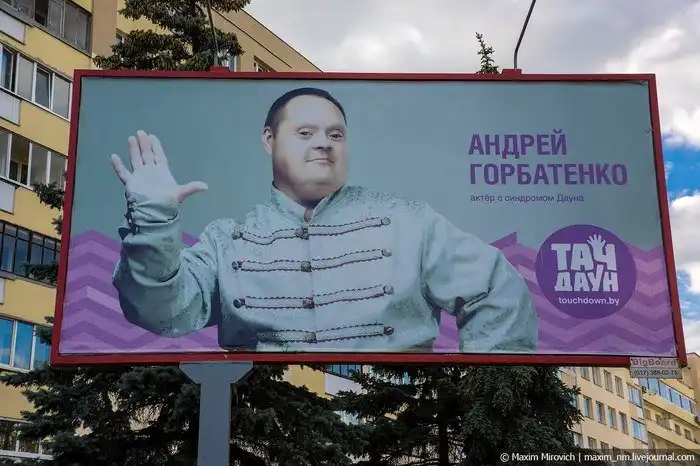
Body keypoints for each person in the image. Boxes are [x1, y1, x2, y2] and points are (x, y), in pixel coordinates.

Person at [110, 87, 538, 353]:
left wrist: (478, 393)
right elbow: (163, 314)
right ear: (269, 140)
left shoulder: (408, 222)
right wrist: (154, 220)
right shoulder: (229, 240)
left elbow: (496, 288)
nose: (324, 144)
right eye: (305, 133)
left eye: (336, 135)